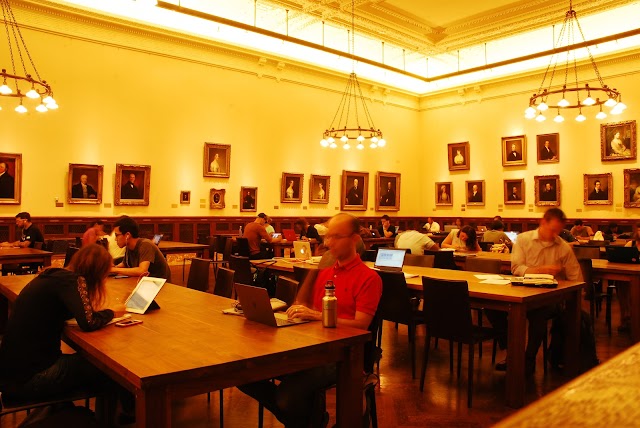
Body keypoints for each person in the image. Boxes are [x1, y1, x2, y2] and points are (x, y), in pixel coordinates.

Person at [238, 213, 382, 428]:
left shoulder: (369, 278)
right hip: (310, 346)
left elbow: (361, 325)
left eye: (336, 237)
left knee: (288, 397)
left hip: (342, 355)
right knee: (243, 373)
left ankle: (309, 420)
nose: (328, 242)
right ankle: (311, 421)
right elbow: (309, 309)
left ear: (354, 239)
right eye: (328, 236)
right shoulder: (325, 272)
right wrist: (296, 310)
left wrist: (317, 316)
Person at [0, 245, 130, 412]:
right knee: (110, 369)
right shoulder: (72, 280)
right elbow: (88, 322)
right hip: (31, 379)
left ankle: (64, 410)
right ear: (97, 272)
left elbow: (68, 311)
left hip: (12, 376)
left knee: (93, 363)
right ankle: (120, 415)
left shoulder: (54, 276)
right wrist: (112, 312)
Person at [488, 208, 582, 374]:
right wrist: (542, 270)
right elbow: (516, 268)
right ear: (543, 222)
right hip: (521, 290)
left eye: (558, 231)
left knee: (539, 313)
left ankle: (528, 358)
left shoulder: (562, 247)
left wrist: (565, 288)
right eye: (552, 230)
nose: (555, 235)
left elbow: (576, 278)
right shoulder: (523, 240)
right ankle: (513, 353)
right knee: (493, 308)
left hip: (549, 297)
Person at [111, 215, 171, 280]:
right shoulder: (129, 247)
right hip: (145, 282)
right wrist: (111, 268)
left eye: (117, 235)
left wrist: (114, 270)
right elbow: (125, 264)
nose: (115, 239)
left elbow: (142, 271)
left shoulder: (145, 245)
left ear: (127, 235)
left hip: (160, 285)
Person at [618, 224, 640, 332]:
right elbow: (623, 257)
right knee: (621, 284)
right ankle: (626, 316)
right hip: (632, 275)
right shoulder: (631, 244)